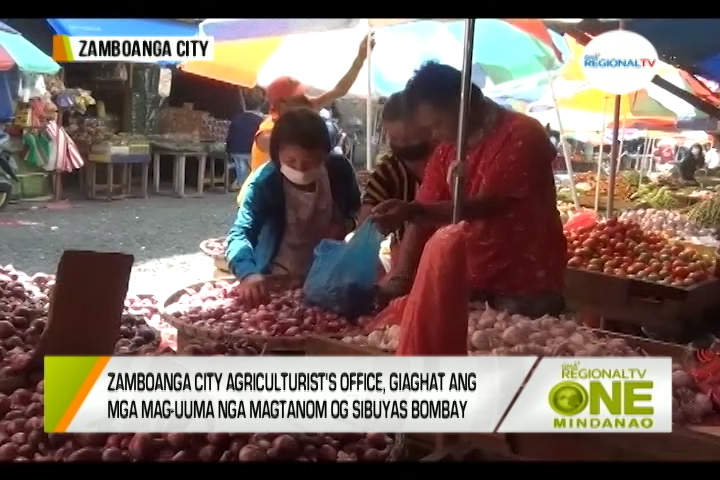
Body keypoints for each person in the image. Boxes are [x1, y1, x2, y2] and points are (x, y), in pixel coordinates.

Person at [372, 61, 567, 318]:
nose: (434, 135)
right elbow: (424, 208)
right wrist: (403, 273)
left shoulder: (523, 134)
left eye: (437, 124)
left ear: (462, 105)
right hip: (470, 283)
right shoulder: (448, 148)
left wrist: (412, 211)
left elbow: (488, 205)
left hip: (525, 287)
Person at [226, 108, 361, 305]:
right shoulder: (265, 183)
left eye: (310, 163)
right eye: (290, 161)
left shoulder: (339, 171)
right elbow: (241, 233)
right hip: (277, 279)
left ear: (325, 155)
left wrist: (344, 226)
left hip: (328, 278)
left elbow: (357, 211)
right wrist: (248, 274)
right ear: (276, 155)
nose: (300, 169)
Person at [249, 33, 376, 175]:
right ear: (282, 106)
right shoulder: (267, 132)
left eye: (302, 94)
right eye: (298, 97)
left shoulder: (301, 111)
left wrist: (360, 59)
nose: (306, 99)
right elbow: (270, 144)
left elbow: (339, 90)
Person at [357, 91, 434, 260]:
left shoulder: (450, 163)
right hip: (406, 259)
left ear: (431, 130)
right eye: (395, 139)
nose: (404, 145)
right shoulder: (388, 171)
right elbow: (367, 220)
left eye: (411, 138)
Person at [225, 92, 264, 190]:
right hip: (250, 151)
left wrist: (228, 150)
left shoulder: (236, 118)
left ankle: (241, 184)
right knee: (253, 170)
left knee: (240, 168)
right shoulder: (260, 120)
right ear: (259, 106)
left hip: (235, 151)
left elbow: (230, 136)